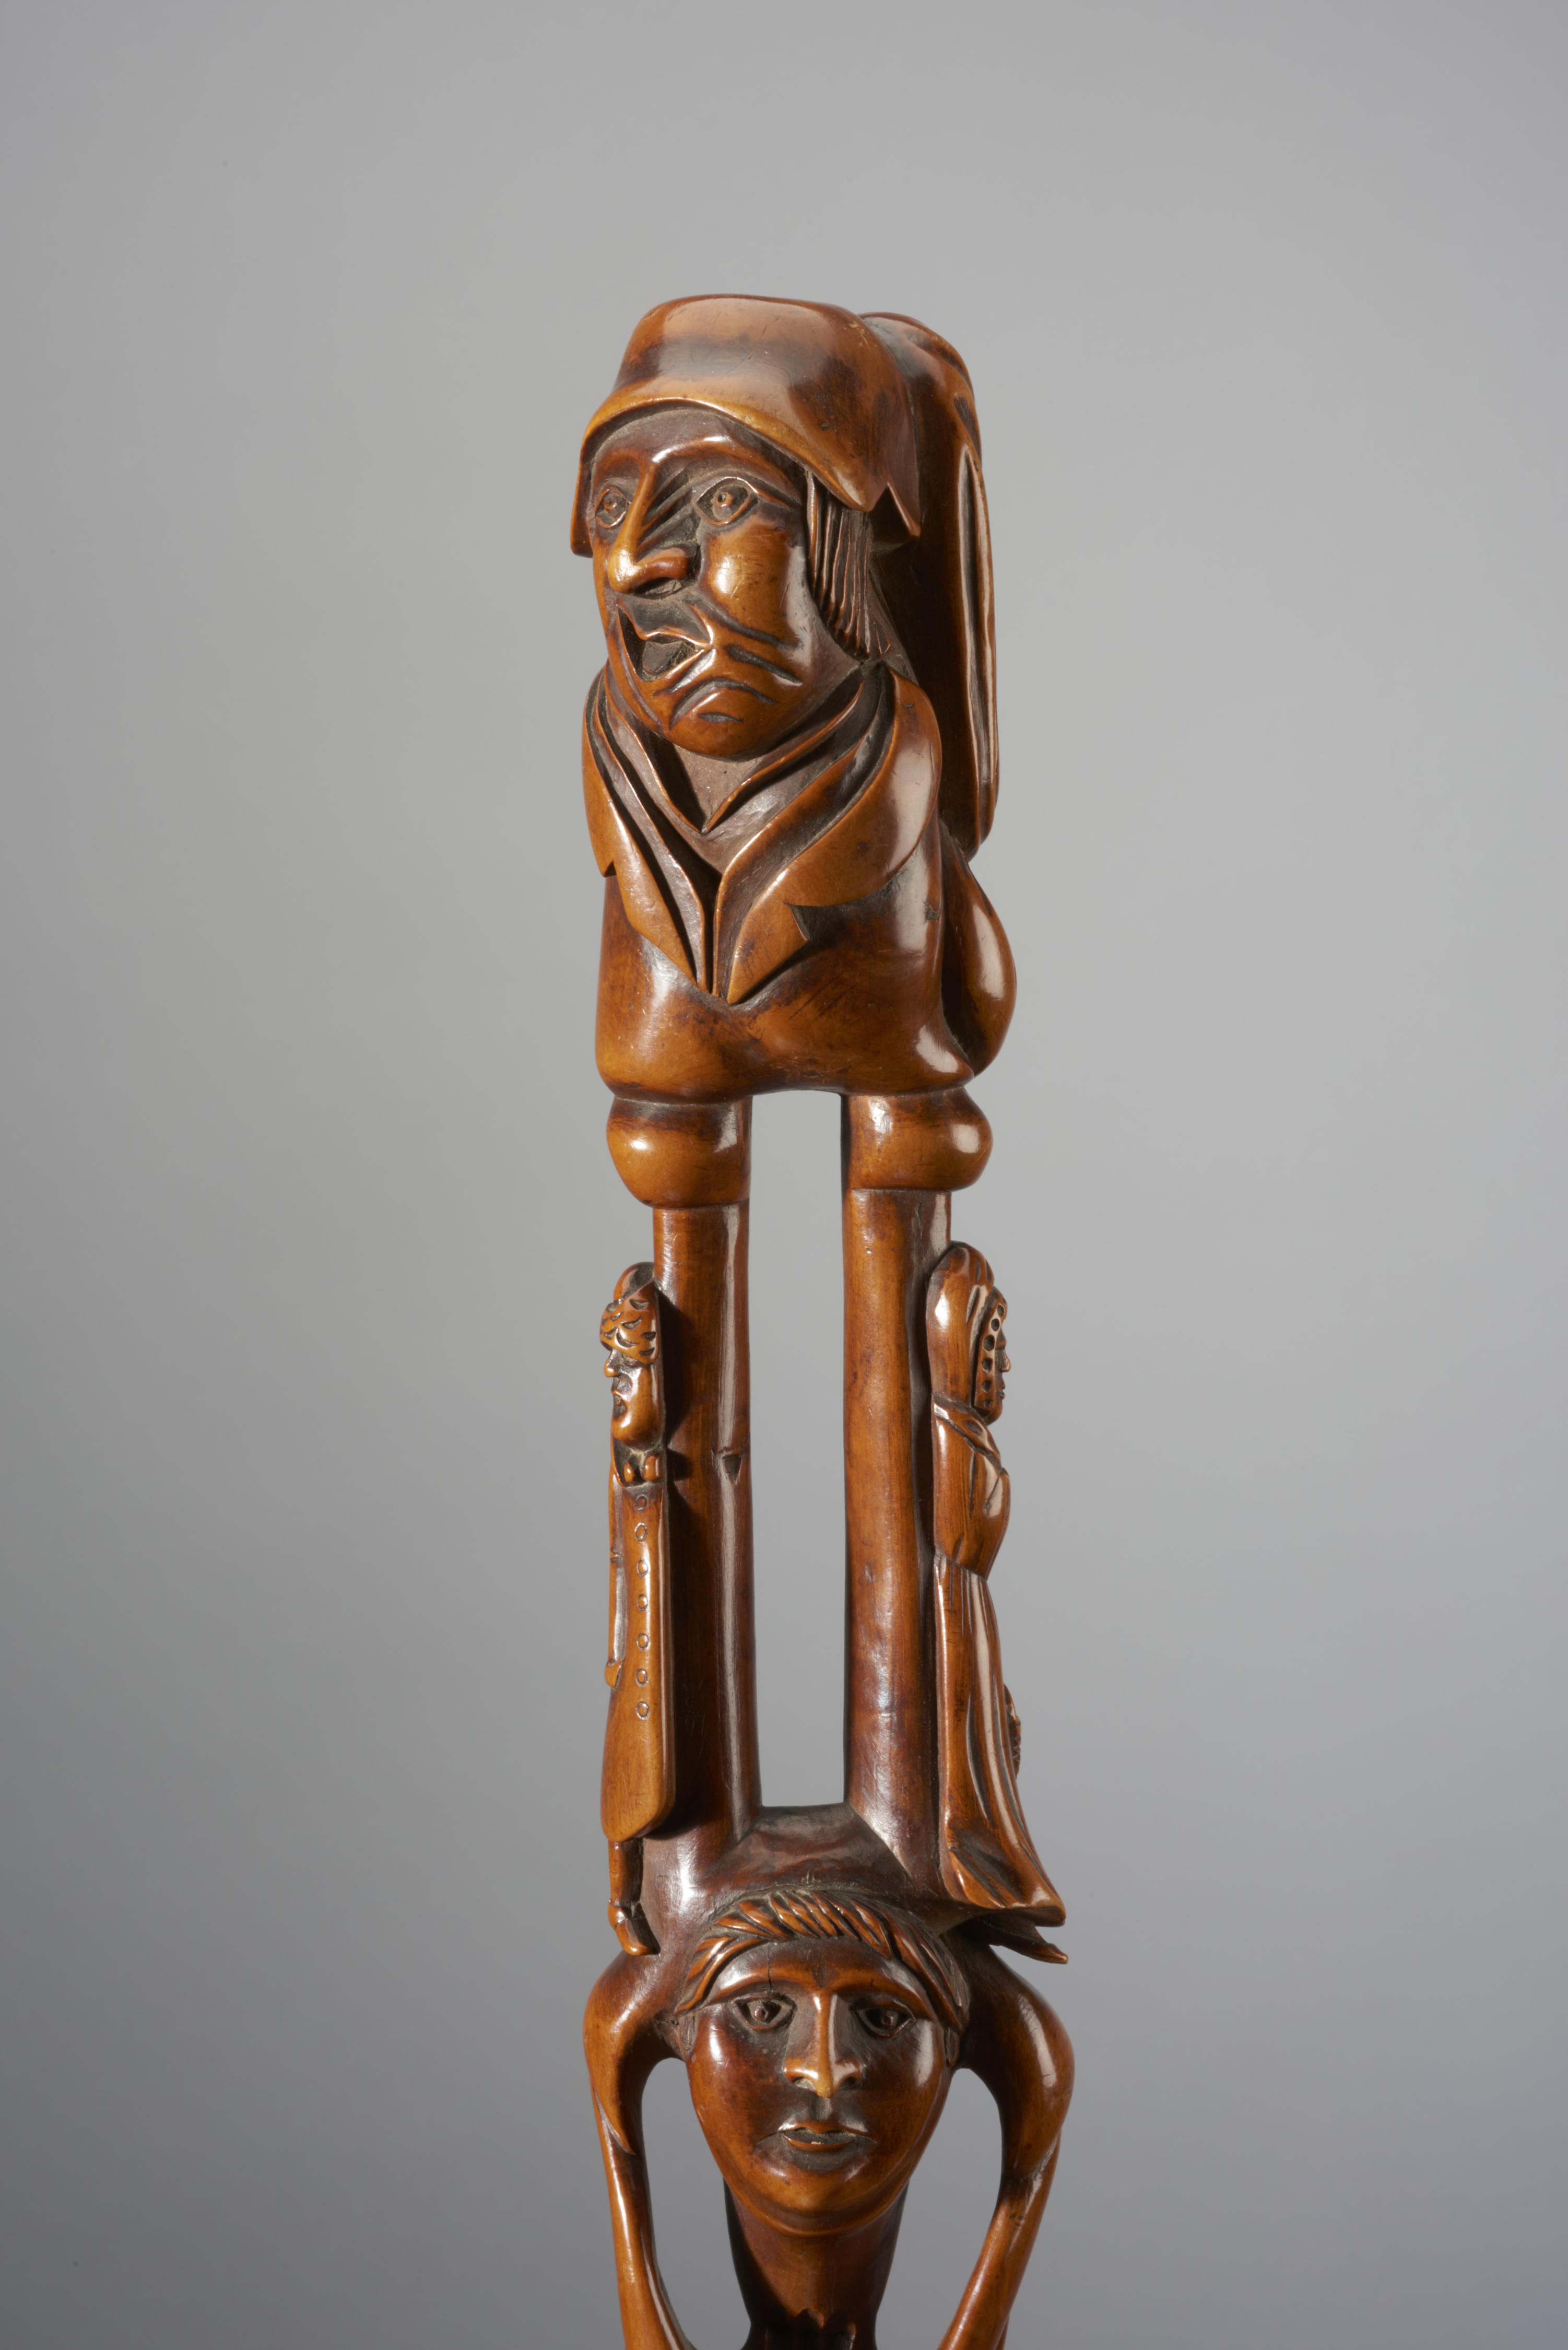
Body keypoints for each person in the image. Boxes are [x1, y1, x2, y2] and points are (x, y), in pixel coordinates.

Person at [572, 297, 1016, 1104]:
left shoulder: (893, 748)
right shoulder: (621, 750)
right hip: (674, 1023)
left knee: (908, 1118)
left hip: (878, 995)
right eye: (610, 506)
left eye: (724, 499)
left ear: (844, 544)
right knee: (664, 1117)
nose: (632, 562)